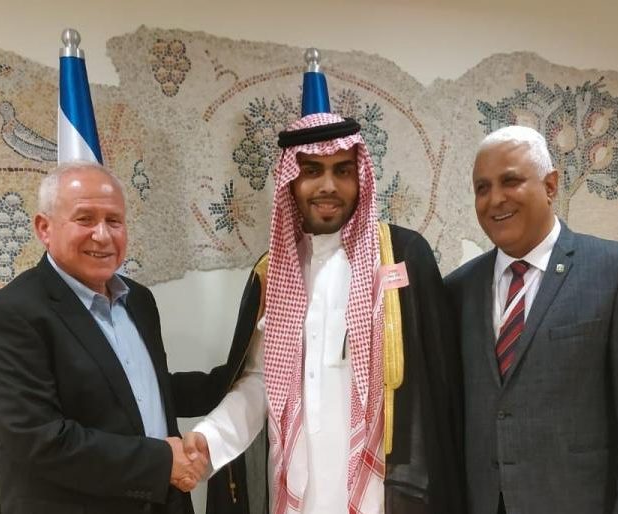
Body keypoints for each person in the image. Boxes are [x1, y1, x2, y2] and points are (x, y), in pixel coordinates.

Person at [186, 50, 464, 514]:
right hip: (295, 489)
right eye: (312, 171)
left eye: (342, 170)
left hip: (382, 495)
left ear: (361, 177)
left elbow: (438, 385)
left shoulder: (403, 254)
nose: (328, 186)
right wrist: (208, 439)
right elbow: (260, 384)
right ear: (291, 182)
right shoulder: (272, 272)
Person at [444, 126, 618, 514]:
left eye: (510, 181)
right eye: (482, 188)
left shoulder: (617, 271)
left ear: (550, 186)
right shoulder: (457, 289)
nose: (495, 199)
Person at [0, 162, 219, 514]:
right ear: (44, 227)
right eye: (85, 219)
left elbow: (142, 392)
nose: (102, 235)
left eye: (114, 220)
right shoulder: (12, 314)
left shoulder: (138, 299)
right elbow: (38, 440)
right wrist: (162, 462)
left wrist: (243, 375)